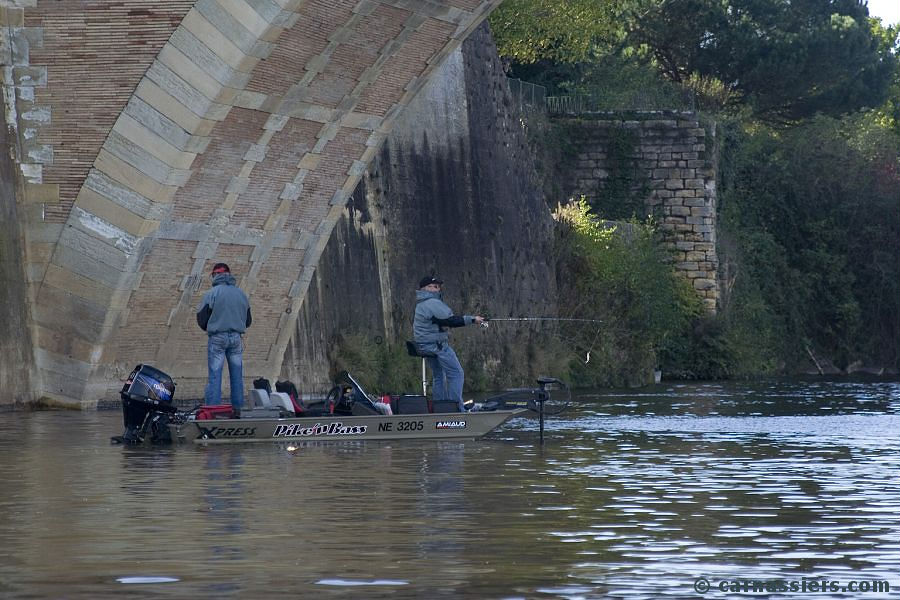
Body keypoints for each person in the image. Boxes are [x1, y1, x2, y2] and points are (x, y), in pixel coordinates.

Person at [413, 275, 485, 412]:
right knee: (456, 373)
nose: (438, 289)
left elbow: (439, 321)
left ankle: (440, 407)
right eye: (434, 286)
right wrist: (473, 319)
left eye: (438, 287)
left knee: (439, 375)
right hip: (436, 346)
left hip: (425, 344)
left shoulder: (421, 303)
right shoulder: (431, 303)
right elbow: (450, 320)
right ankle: (455, 408)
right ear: (425, 288)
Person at [196, 263, 252, 416]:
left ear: (215, 275)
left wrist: (212, 327)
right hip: (236, 339)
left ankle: (213, 412)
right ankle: (238, 411)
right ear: (229, 275)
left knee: (215, 375)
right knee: (237, 375)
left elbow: (201, 318)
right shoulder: (241, 294)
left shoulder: (211, 293)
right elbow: (248, 321)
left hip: (217, 338)